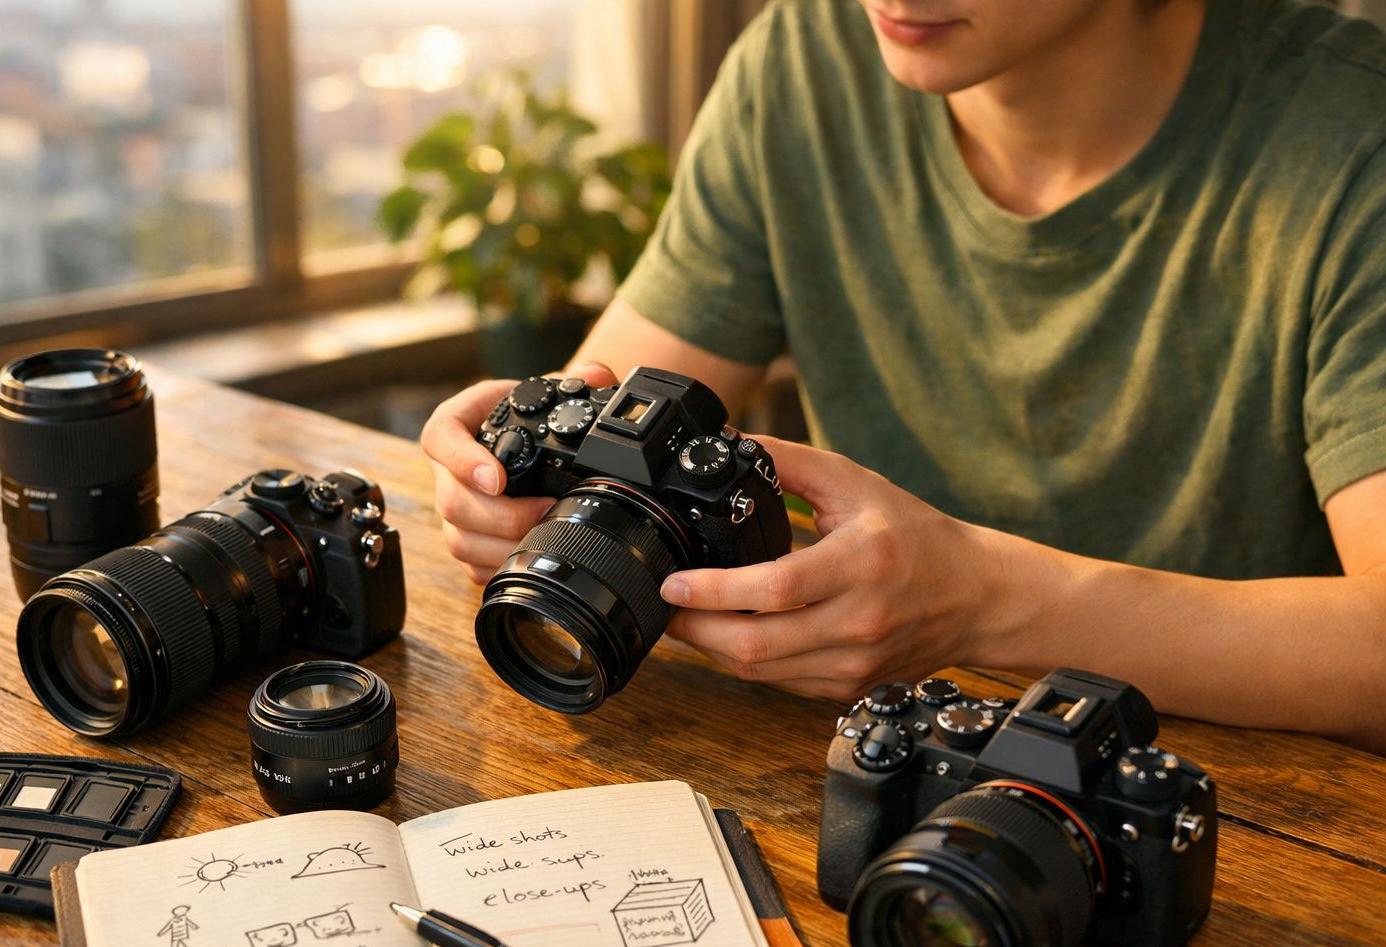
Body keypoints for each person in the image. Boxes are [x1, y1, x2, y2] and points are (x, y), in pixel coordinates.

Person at [422, 0, 1386, 752]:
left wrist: (986, 600)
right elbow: (621, 408)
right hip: (866, 764)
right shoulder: (802, 65)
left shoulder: (1350, 134)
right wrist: (509, 487)